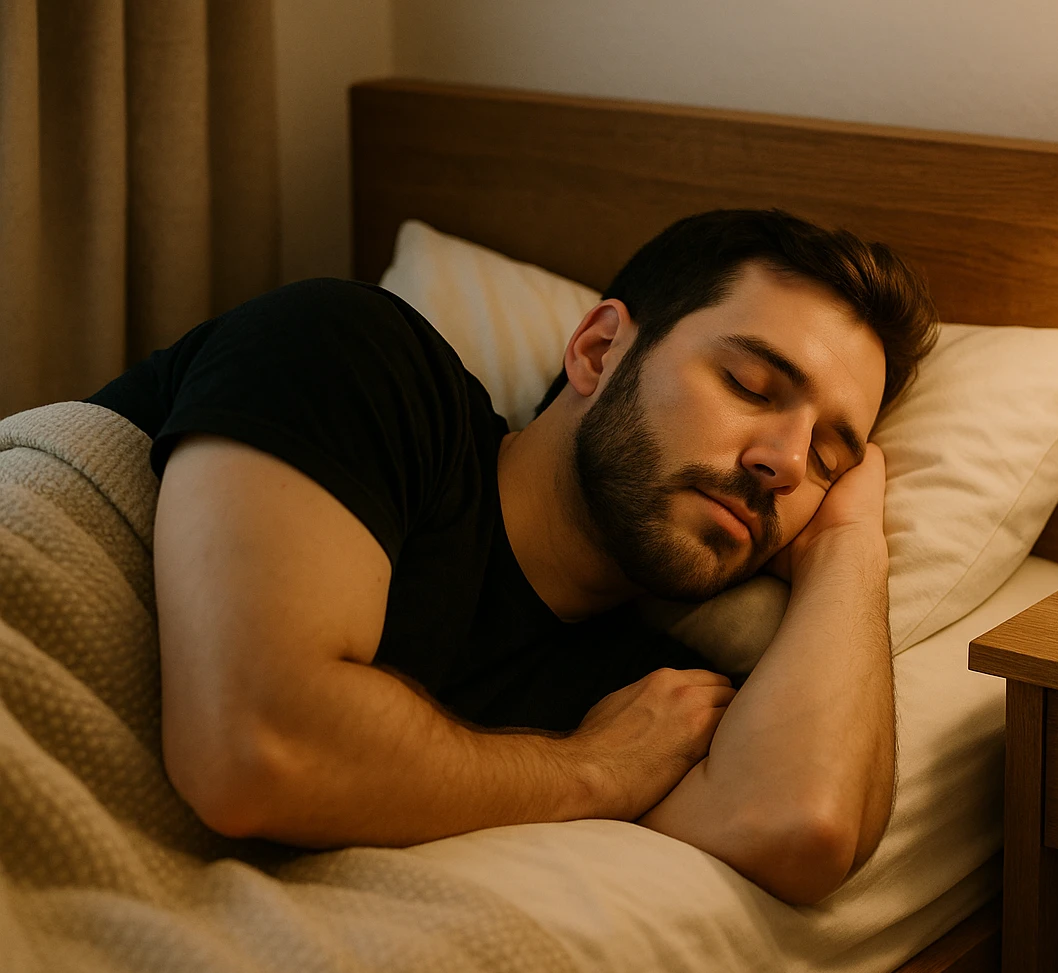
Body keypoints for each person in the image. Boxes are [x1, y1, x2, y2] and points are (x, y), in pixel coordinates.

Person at [89, 209, 937, 905]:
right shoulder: (358, 359)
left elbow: (802, 827)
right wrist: (592, 770)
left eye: (830, 457)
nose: (785, 463)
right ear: (599, 352)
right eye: (751, 386)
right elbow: (254, 747)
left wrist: (848, 545)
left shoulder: (647, 696)